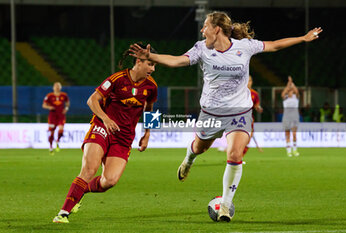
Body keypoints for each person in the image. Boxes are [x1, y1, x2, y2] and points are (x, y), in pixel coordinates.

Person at [129, 11, 322, 222]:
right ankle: (189, 158)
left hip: (240, 111)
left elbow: (274, 45)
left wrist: (303, 38)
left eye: (205, 26)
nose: (202, 30)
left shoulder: (245, 46)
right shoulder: (201, 48)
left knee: (235, 154)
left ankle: (225, 206)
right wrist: (151, 57)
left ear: (217, 29)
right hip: (211, 112)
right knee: (199, 147)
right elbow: (176, 61)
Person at [52, 43, 158, 223]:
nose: (153, 69)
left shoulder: (151, 87)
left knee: (109, 181)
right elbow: (92, 100)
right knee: (89, 170)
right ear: (139, 61)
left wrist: (147, 133)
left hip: (124, 138)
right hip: (102, 128)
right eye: (150, 64)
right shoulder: (117, 79)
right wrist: (105, 118)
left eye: (154, 65)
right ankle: (63, 213)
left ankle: (81, 191)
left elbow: (150, 109)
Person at [217, 75, 263, 153]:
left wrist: (258, 108)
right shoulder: (238, 92)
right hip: (238, 118)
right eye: (247, 81)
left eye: (250, 81)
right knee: (237, 137)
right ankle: (232, 151)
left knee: (248, 139)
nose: (248, 83)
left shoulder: (254, 94)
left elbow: (256, 105)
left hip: (249, 118)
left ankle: (237, 155)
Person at [42, 82, 70, 155]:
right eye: (56, 86)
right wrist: (49, 107)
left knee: (61, 130)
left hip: (61, 115)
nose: (57, 87)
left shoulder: (64, 95)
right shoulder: (49, 96)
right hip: (52, 116)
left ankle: (57, 141)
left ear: (60, 87)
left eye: (58, 86)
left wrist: (66, 108)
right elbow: (44, 105)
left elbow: (67, 102)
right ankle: (51, 146)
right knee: (52, 133)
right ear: (53, 87)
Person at [281, 76, 300, 157]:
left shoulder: (296, 98)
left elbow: (297, 91)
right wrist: (288, 85)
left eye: (292, 91)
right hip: (286, 117)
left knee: (294, 134)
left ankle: (295, 150)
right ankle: (289, 151)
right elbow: (283, 93)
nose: (291, 92)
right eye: (289, 91)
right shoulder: (285, 98)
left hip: (294, 117)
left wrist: (292, 83)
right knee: (287, 134)